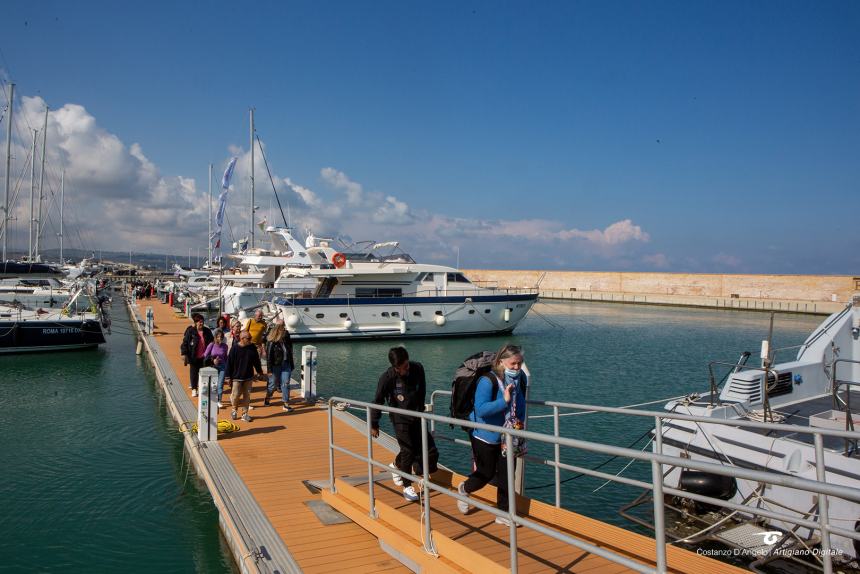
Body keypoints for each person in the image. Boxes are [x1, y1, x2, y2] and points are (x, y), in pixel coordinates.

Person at [457, 344, 527, 528]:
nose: (517, 368)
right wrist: (503, 401)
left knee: (507, 475)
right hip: (485, 434)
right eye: (513, 364)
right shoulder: (487, 381)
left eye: (520, 363)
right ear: (500, 362)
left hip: (508, 436)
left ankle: (503, 514)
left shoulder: (521, 379)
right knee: (486, 473)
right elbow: (481, 410)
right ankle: (464, 489)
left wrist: (519, 431)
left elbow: (520, 406)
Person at [371, 347, 438, 502]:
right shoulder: (387, 378)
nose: (406, 370)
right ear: (395, 368)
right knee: (408, 450)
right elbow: (378, 401)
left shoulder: (418, 368)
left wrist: (420, 411)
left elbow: (422, 391)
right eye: (402, 368)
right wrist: (374, 423)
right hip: (399, 418)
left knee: (431, 450)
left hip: (416, 415)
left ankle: (397, 465)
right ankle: (407, 486)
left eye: (407, 366)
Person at [224, 329, 264, 422]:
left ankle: (245, 413)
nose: (250, 340)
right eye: (249, 338)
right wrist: (227, 377)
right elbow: (229, 363)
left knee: (247, 395)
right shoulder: (235, 348)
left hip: (248, 376)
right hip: (236, 377)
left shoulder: (252, 347)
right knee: (235, 395)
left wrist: (259, 372)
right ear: (242, 339)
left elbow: (256, 361)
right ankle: (234, 410)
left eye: (250, 338)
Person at [180, 313, 214, 398]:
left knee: (204, 374)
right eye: (199, 322)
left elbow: (212, 342)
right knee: (194, 374)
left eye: (202, 322)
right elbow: (185, 343)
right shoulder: (190, 331)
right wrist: (184, 353)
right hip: (193, 356)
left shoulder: (207, 331)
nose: (201, 323)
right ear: (195, 323)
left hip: (205, 357)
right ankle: (194, 389)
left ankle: (202, 388)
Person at [265, 318, 295, 412]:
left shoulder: (286, 338)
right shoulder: (272, 341)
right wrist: (269, 370)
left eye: (284, 326)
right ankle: (268, 397)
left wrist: (291, 364)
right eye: (282, 327)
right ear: (278, 328)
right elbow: (269, 356)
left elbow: (290, 351)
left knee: (285, 383)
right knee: (272, 385)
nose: (284, 329)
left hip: (286, 364)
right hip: (275, 365)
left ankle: (286, 403)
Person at [204, 329, 229, 408]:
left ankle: (219, 400)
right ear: (215, 337)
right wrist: (213, 360)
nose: (220, 339)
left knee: (220, 384)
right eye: (218, 337)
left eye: (221, 337)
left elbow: (225, 357)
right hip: (213, 366)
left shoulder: (225, 346)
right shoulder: (211, 345)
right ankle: (211, 398)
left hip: (222, 366)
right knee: (212, 384)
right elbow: (205, 355)